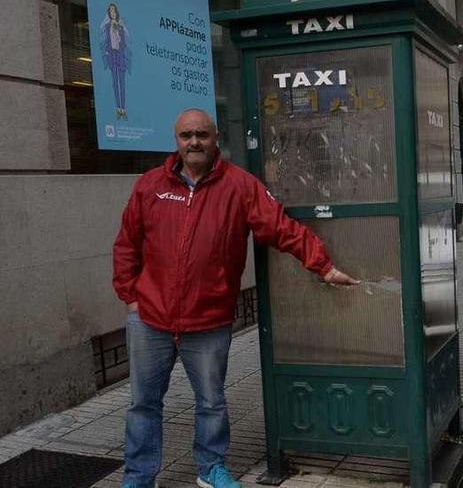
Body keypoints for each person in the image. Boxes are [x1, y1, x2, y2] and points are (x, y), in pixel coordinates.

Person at [113, 109, 359, 488]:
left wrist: (323, 266)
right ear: (176, 140)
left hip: (208, 320)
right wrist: (130, 296)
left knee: (211, 402)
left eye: (201, 134)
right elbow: (127, 243)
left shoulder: (240, 186)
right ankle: (139, 476)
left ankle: (210, 467)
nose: (193, 142)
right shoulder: (150, 186)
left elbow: (281, 227)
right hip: (150, 319)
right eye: (185, 135)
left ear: (215, 139)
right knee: (143, 404)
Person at [101, 3, 131, 120]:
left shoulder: (121, 27)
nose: (112, 13)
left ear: (116, 13)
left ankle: (123, 109)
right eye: (111, 11)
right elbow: (106, 42)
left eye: (114, 11)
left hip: (120, 56)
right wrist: (108, 52)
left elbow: (123, 44)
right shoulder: (107, 27)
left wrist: (118, 33)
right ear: (109, 13)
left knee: (122, 83)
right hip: (112, 56)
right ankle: (118, 109)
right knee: (115, 83)